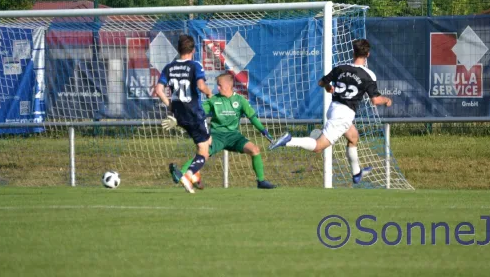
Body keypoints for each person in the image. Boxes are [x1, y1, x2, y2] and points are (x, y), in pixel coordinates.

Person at [269, 39, 392, 185]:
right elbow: (375, 100)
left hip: (333, 109)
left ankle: (356, 173)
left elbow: (321, 82)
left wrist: (328, 87)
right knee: (318, 147)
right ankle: (289, 140)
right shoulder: (368, 75)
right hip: (344, 114)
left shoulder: (340, 68)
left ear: (353, 52)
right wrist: (387, 100)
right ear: (368, 54)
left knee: (353, 137)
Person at [168, 73, 277, 189]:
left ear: (229, 85)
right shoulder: (213, 100)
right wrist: (178, 119)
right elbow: (196, 113)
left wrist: (264, 132)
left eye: (220, 85)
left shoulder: (240, 100)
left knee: (254, 150)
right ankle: (181, 174)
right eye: (217, 86)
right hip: (216, 136)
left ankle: (261, 181)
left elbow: (253, 118)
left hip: (234, 136)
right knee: (202, 154)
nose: (217, 88)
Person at [154, 34, 213, 194]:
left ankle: (193, 176)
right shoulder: (195, 65)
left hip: (179, 114)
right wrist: (209, 93)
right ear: (193, 50)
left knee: (206, 142)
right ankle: (188, 175)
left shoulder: (169, 67)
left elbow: (159, 90)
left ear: (178, 49)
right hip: (193, 112)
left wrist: (171, 106)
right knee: (205, 149)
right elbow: (201, 86)